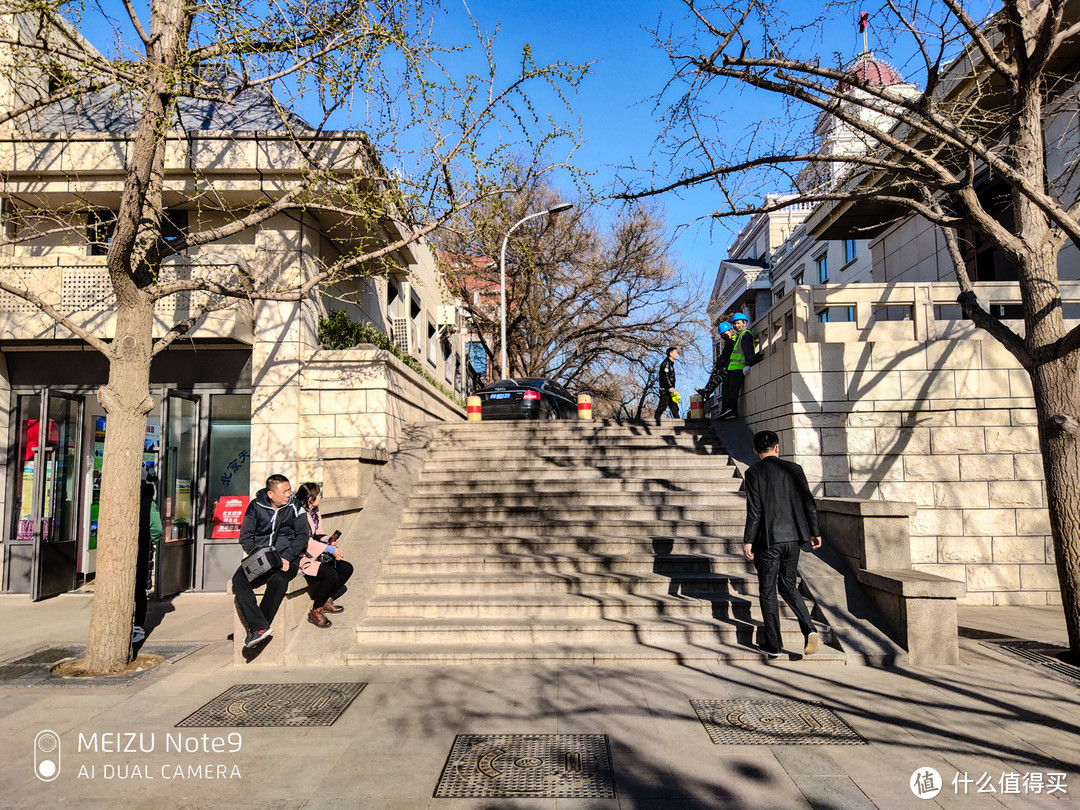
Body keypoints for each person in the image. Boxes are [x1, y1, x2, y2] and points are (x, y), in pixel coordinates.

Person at [741, 430, 822, 659]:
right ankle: (810, 629)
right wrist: (814, 532)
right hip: (794, 539)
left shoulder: (753, 473)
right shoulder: (794, 469)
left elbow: (754, 511)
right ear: (777, 447)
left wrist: (748, 540)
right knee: (788, 586)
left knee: (768, 591)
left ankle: (774, 645)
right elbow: (809, 503)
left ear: (756, 451)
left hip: (768, 540)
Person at [231, 474, 310, 648]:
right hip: (261, 557)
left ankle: (259, 627)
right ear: (270, 494)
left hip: (287, 557)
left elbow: (303, 535)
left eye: (289, 490)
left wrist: (287, 557)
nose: (289, 494)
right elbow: (245, 536)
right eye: (284, 491)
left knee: (279, 580)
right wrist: (257, 555)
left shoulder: (295, 506)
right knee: (238, 581)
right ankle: (259, 626)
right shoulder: (256, 506)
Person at [295, 482, 355, 628]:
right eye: (318, 494)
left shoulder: (314, 511)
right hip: (301, 557)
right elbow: (304, 540)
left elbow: (317, 533)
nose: (321, 497)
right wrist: (329, 549)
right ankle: (316, 611)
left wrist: (328, 540)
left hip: (315, 552)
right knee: (330, 574)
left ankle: (327, 600)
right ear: (310, 498)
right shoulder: (299, 514)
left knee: (346, 568)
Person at [132, 479, 162, 645]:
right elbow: (157, 529)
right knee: (139, 591)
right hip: (141, 550)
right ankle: (138, 628)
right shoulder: (148, 504)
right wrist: (151, 543)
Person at [718, 312, 757, 420]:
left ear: (744, 323)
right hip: (732, 368)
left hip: (739, 368)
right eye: (734, 324)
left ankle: (732, 411)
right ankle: (725, 410)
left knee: (732, 391)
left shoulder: (746, 335)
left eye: (738, 323)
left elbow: (749, 351)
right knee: (726, 389)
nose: (735, 326)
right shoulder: (737, 336)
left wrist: (748, 365)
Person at [697, 321, 735, 402]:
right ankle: (707, 391)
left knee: (718, 374)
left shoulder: (731, 341)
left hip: (732, 365)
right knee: (717, 374)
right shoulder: (730, 341)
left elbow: (724, 356)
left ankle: (707, 391)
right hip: (730, 364)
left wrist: (718, 364)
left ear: (730, 330)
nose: (723, 336)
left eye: (724, 334)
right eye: (721, 335)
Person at [654, 347, 679, 425]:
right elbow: (665, 376)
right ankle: (656, 421)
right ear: (671, 354)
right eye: (676, 352)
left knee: (674, 406)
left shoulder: (670, 364)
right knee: (663, 406)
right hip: (665, 389)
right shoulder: (666, 364)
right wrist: (669, 387)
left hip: (669, 389)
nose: (677, 354)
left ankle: (678, 422)